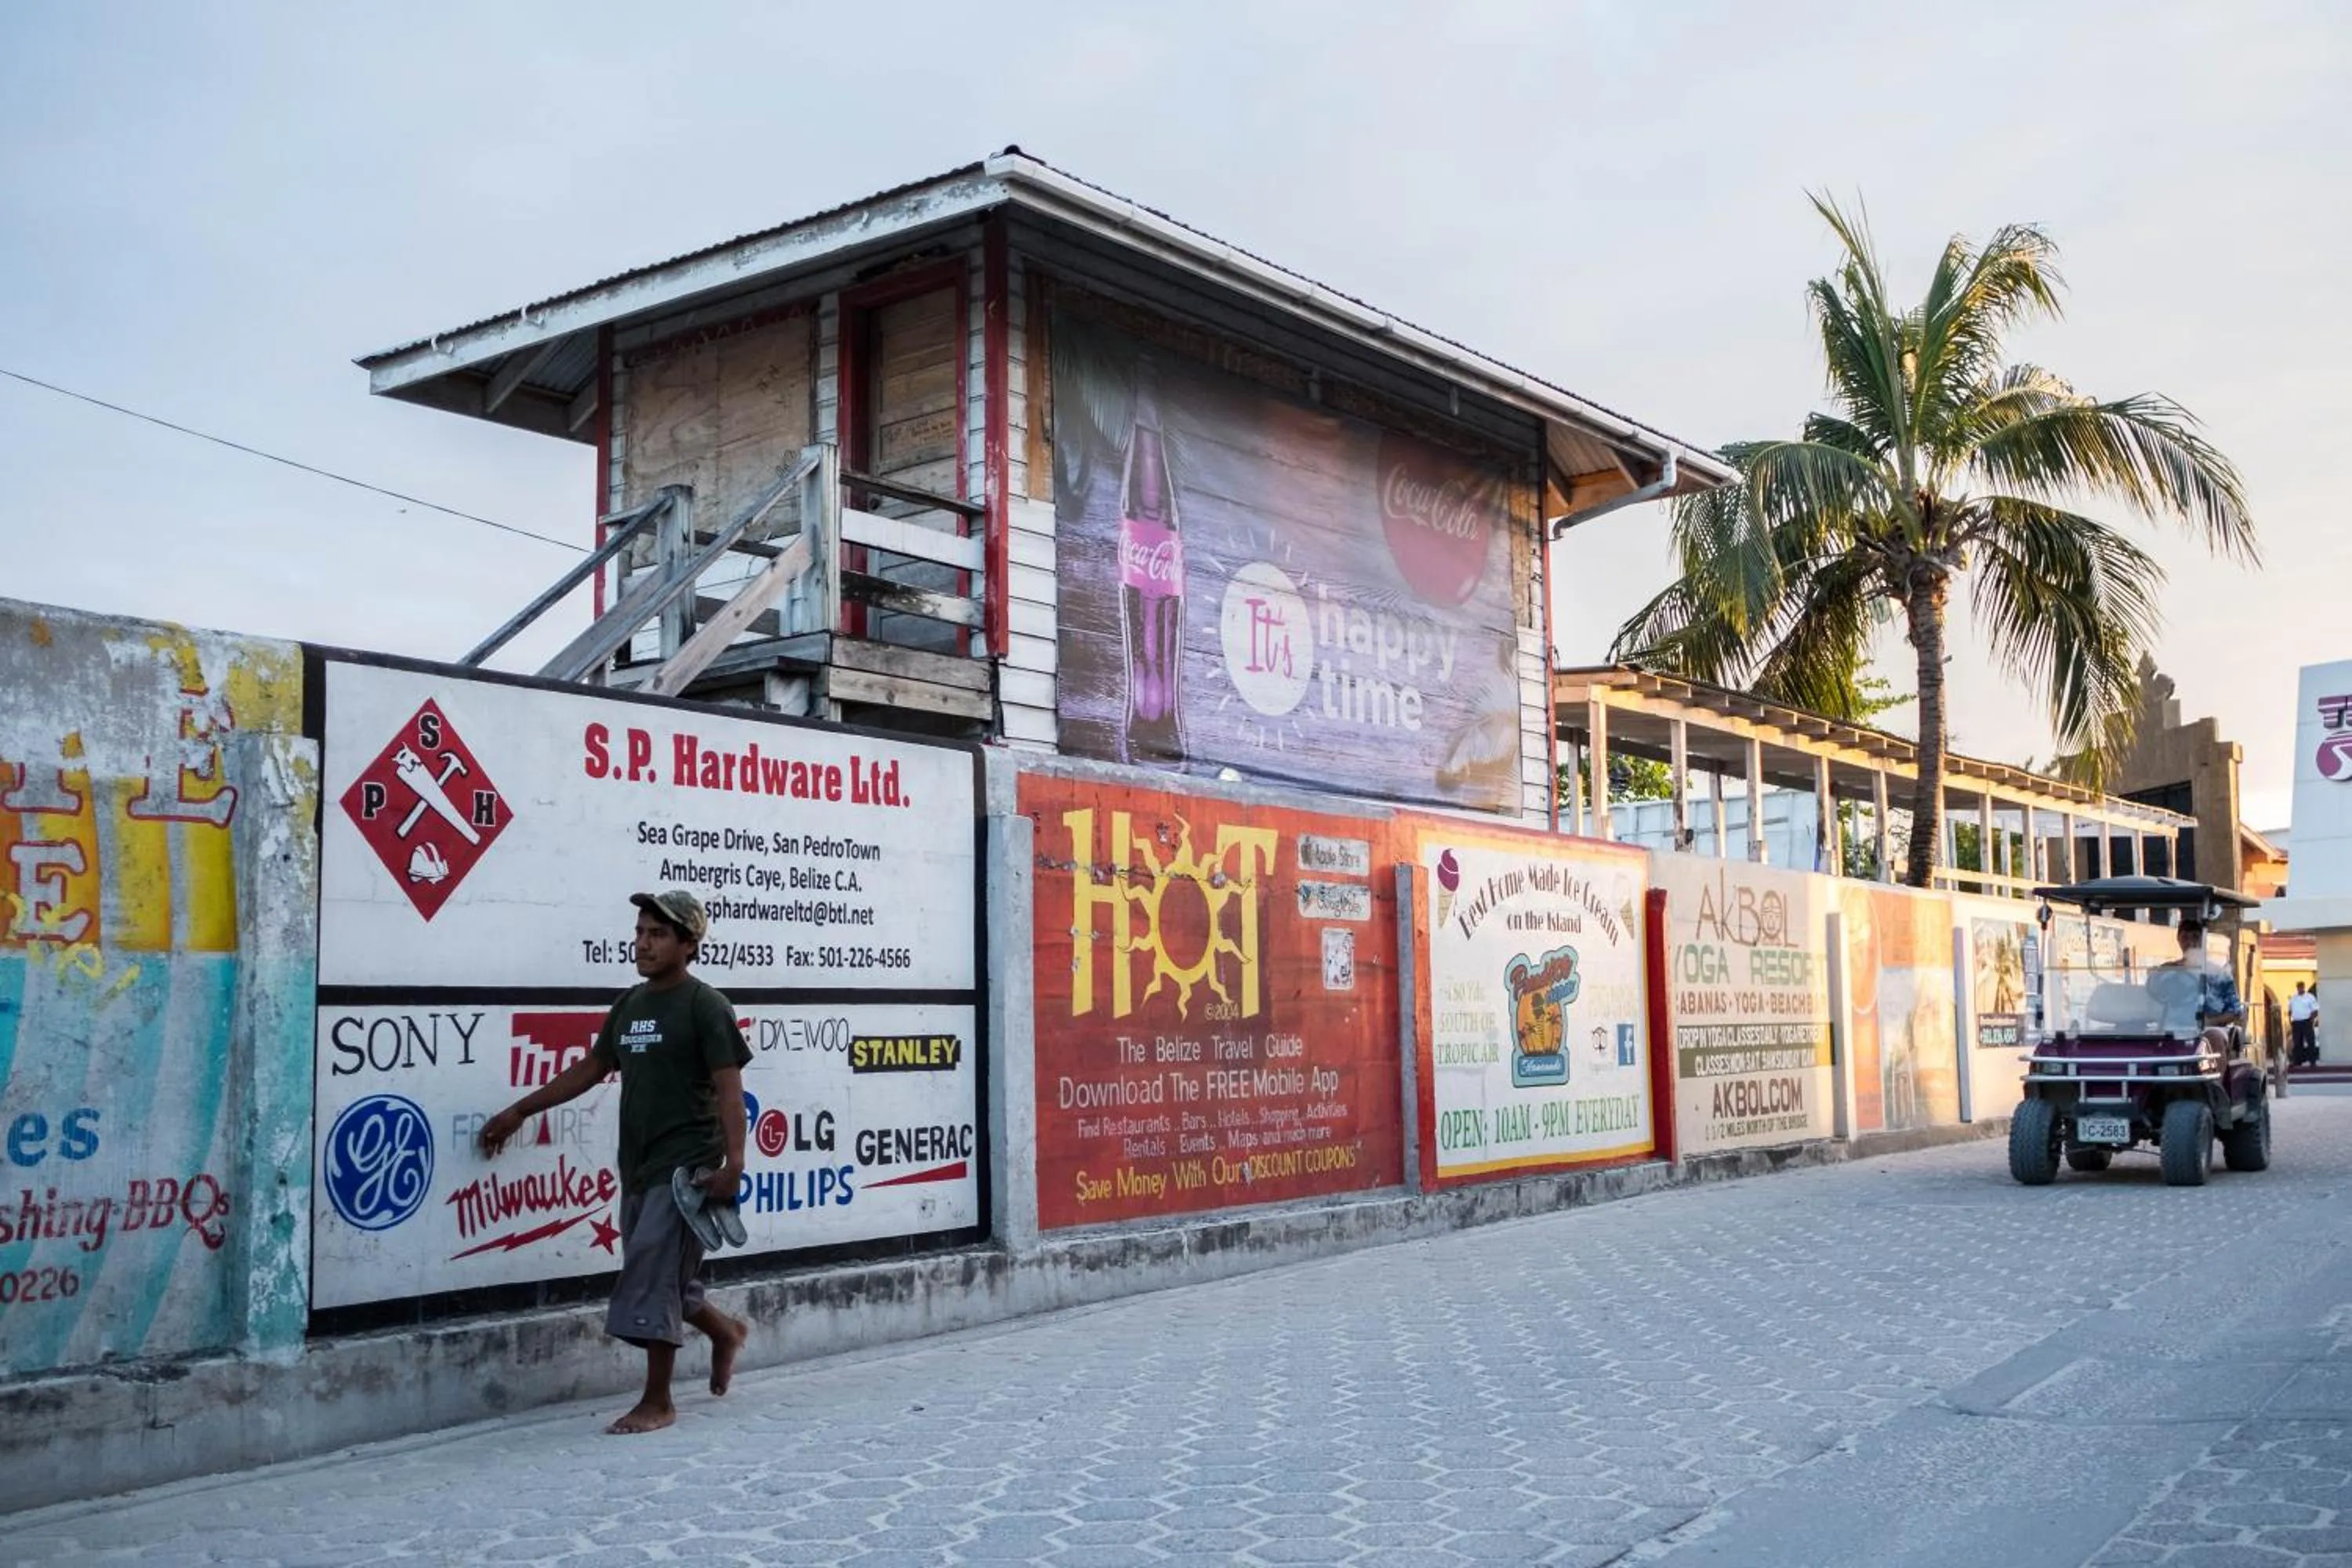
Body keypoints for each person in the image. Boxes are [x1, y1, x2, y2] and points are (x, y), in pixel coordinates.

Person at [477, 889, 750, 1435]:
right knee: (666, 1274)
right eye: (640, 933)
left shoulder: (705, 1006)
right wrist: (520, 1111)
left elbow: (729, 1090)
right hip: (639, 1165)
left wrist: (733, 1166)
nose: (643, 944)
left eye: (657, 935)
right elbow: (591, 1069)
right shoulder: (631, 1005)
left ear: (688, 945)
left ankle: (658, 1401)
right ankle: (724, 1331)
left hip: (686, 1170)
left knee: (650, 1275)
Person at [2289, 981, 2321, 1067]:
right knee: (2297, 1042)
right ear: (2297, 988)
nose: (2300, 988)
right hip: (2296, 1022)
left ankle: (2312, 1061)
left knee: (2311, 1041)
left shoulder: (2310, 997)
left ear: (2304, 987)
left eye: (2302, 987)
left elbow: (2315, 1010)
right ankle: (2298, 1061)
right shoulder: (2293, 998)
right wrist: (2291, 1021)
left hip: (2306, 1021)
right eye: (2299, 987)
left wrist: (2311, 1019)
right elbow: (2290, 1010)